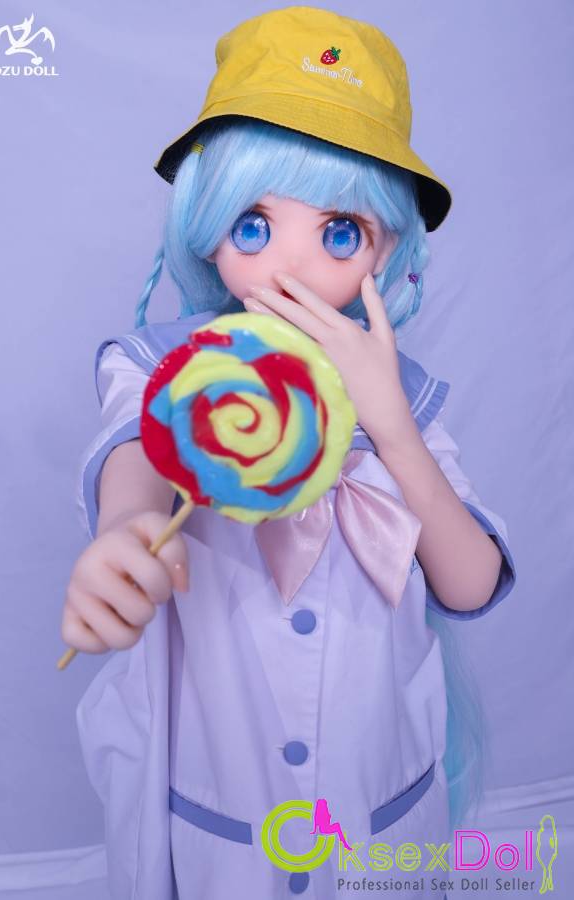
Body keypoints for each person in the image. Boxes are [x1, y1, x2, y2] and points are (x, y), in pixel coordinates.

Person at [62, 8, 517, 899]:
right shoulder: (164, 369)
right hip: (221, 811)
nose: (292, 268)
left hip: (375, 809)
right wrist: (123, 533)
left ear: (386, 248)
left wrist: (391, 427)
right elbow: (137, 450)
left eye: (340, 232)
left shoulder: (406, 397)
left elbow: (468, 586)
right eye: (254, 225)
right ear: (205, 224)